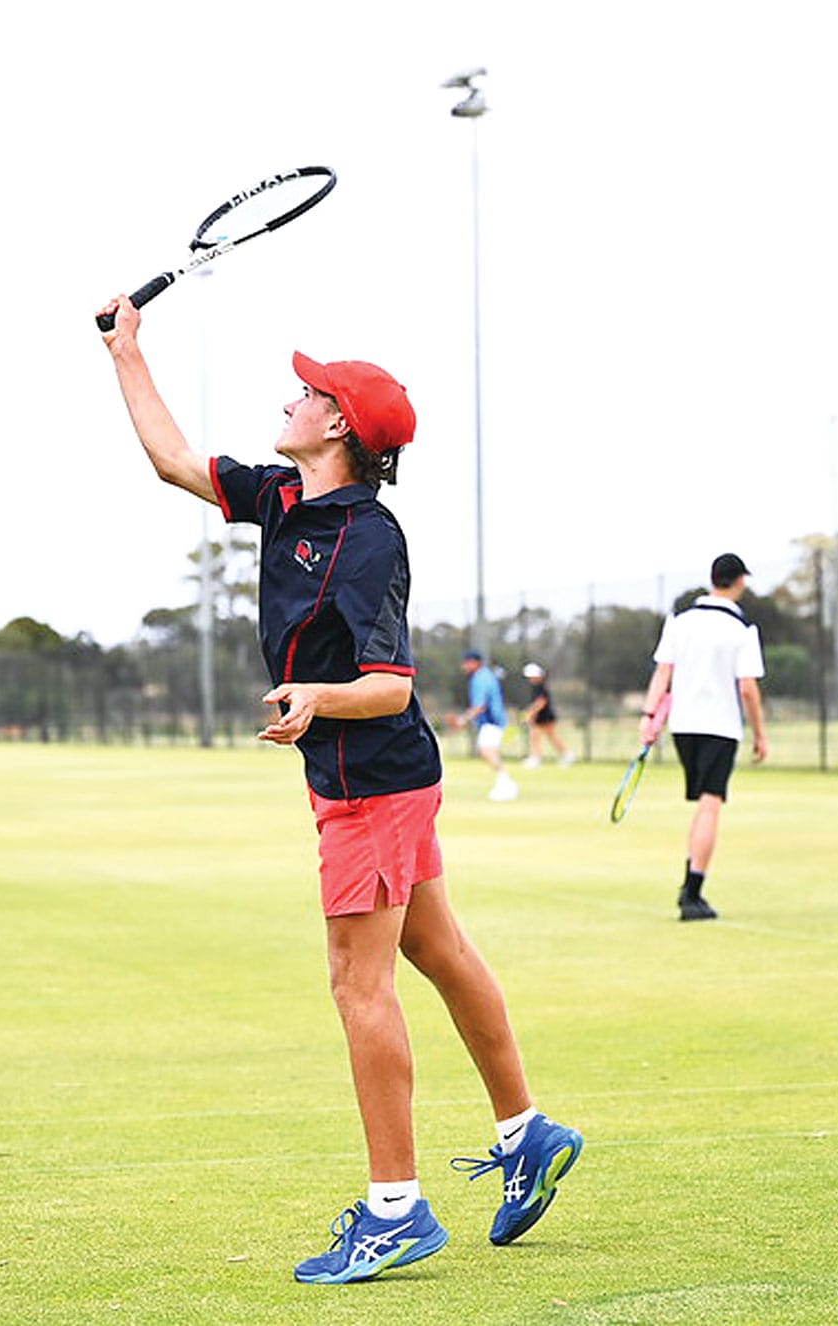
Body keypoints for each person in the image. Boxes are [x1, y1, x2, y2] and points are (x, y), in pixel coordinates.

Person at [99, 293, 582, 1286]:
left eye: (308, 392)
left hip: (373, 779)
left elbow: (390, 684)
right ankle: (526, 1132)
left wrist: (316, 697)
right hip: (372, 777)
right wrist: (127, 351)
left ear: (340, 428)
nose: (291, 398)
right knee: (439, 950)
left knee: (359, 986)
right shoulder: (283, 498)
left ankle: (395, 1208)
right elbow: (174, 463)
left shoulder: (369, 538)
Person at [639, 553, 769, 921]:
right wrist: (761, 734)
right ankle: (692, 892)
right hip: (720, 727)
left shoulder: (679, 621)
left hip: (683, 726)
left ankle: (690, 886)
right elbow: (748, 689)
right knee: (710, 805)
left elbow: (663, 672)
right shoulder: (743, 628)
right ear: (739, 581)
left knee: (702, 805)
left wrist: (649, 717)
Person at [456, 651, 519, 801]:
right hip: (493, 721)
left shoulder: (480, 678)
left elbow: (480, 705)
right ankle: (504, 783)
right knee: (489, 752)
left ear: (475, 663)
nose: (464, 666)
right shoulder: (484, 675)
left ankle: (506, 783)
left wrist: (463, 720)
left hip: (492, 721)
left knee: (486, 751)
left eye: (467, 663)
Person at [520, 661, 574, 768]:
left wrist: (531, 713)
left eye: (531, 676)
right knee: (536, 736)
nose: (530, 679)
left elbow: (541, 703)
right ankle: (538, 758)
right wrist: (531, 713)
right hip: (540, 717)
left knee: (550, 736)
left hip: (546, 716)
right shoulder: (537, 686)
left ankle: (566, 755)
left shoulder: (540, 687)